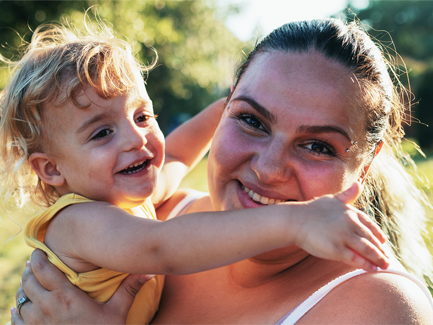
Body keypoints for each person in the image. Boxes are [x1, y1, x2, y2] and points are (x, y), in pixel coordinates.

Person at [11, 18, 433, 325]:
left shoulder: (377, 308)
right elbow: (161, 248)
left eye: (317, 146)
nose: (268, 170)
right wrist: (296, 219)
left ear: (369, 161)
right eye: (251, 120)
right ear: (50, 169)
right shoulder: (134, 218)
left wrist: (227, 107)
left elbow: (173, 154)